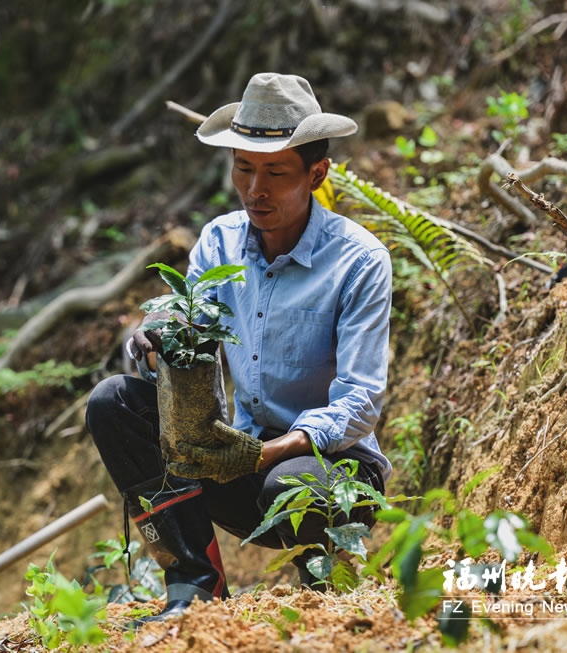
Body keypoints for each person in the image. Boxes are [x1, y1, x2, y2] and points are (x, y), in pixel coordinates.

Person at [85, 72, 393, 623]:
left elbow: (362, 402)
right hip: (237, 463)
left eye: (275, 173)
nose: (256, 190)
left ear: (316, 173)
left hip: (329, 469)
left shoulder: (359, 262)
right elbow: (190, 325)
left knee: (290, 482)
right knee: (114, 402)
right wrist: (159, 336)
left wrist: (268, 453)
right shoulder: (219, 241)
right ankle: (195, 586)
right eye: (244, 169)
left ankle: (327, 587)